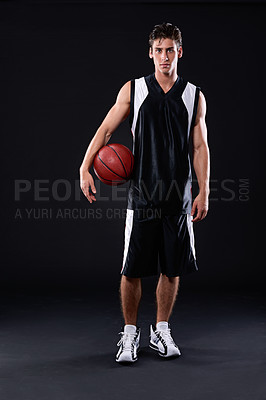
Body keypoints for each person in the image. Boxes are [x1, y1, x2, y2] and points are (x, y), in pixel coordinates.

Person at [79, 22, 210, 364]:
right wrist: (84, 167)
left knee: (171, 268)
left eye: (170, 50)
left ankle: (161, 330)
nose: (164, 57)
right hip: (142, 196)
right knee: (133, 269)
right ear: (150, 53)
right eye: (158, 50)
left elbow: (199, 146)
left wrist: (204, 190)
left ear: (179, 52)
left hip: (177, 196)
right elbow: (107, 129)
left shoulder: (193, 94)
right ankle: (130, 334)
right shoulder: (134, 90)